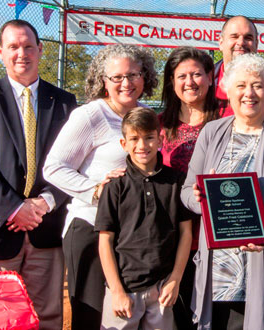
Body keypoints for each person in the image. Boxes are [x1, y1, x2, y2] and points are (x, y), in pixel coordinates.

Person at [181, 53, 264, 330]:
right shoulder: (211, 132)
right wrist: (198, 201)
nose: (249, 93)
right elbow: (186, 191)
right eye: (240, 85)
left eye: (257, 85)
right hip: (220, 269)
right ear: (228, 91)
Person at [43, 44, 158, 330]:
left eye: (133, 74)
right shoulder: (91, 115)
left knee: (122, 314)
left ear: (145, 77)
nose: (126, 83)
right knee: (91, 318)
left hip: (131, 234)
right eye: (116, 77)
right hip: (90, 227)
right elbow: (53, 167)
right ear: (103, 81)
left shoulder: (146, 115)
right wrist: (96, 190)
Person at [0, 19, 77, 330]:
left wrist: (45, 202)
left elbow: (74, 161)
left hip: (46, 229)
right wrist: (14, 208)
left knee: (48, 317)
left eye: (29, 46)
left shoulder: (64, 102)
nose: (22, 53)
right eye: (14, 47)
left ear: (40, 50)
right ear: (0, 51)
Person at [95, 107, 192, 330]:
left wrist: (175, 279)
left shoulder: (176, 181)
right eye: (134, 139)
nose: (142, 146)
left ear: (160, 139)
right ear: (124, 144)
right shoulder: (114, 186)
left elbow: (186, 233)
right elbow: (105, 240)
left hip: (162, 289)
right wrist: (117, 290)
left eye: (149, 138)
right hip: (123, 289)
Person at [159, 46, 219, 329]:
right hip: (170, 236)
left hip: (216, 234)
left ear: (210, 77)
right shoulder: (158, 126)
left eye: (197, 74)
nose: (190, 82)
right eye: (181, 75)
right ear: (172, 81)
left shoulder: (227, 120)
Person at [215, 15, 264, 118]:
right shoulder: (206, 81)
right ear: (221, 43)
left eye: (248, 37)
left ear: (256, 44)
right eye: (234, 36)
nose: (241, 42)